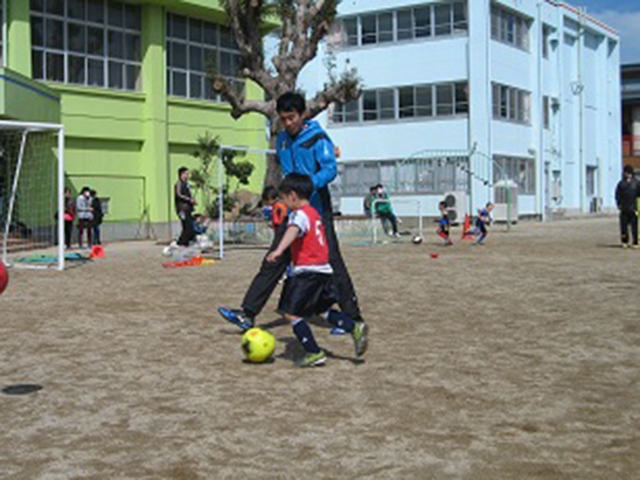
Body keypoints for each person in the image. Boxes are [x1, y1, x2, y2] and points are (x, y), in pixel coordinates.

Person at [218, 91, 365, 330]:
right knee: (274, 258)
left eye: (291, 117)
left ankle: (353, 316)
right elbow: (286, 172)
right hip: (292, 211)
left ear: (303, 114)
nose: (287, 123)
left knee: (332, 261)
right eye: (283, 118)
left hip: (316, 210)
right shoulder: (283, 140)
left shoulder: (317, 138)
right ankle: (248, 313)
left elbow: (330, 170)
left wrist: (307, 187)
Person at [266, 174, 367, 366]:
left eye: (283, 198)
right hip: (324, 270)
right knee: (321, 309)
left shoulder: (299, 215)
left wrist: (278, 250)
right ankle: (353, 327)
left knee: (291, 313)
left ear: (293, 196)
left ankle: (314, 352)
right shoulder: (314, 213)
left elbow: (292, 231)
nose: (284, 203)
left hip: (307, 272)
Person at [615, 164, 640, 249]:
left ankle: (635, 242)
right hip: (624, 208)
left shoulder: (636, 183)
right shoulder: (621, 184)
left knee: (634, 227)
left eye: (629, 173)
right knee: (624, 227)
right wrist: (618, 204)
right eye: (626, 173)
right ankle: (624, 241)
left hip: (633, 208)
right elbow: (617, 195)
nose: (627, 175)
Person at [175, 167, 196, 247]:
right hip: (182, 209)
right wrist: (189, 200)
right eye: (186, 174)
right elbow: (179, 194)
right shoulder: (179, 184)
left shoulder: (186, 184)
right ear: (182, 174)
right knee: (187, 226)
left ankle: (185, 243)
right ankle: (180, 243)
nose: (187, 175)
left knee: (189, 227)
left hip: (188, 208)